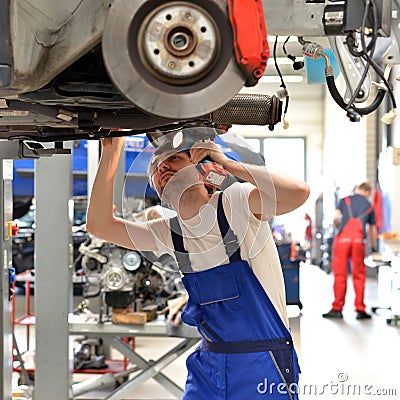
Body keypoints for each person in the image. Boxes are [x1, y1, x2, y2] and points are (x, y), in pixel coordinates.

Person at [86, 129, 310, 399]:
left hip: (262, 363)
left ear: (202, 169)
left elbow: (298, 192)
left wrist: (227, 163)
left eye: (174, 159)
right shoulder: (171, 232)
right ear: (156, 188)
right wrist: (111, 151)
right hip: (209, 366)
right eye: (155, 168)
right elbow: (99, 225)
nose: (162, 167)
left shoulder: (235, 203)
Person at [323, 182, 377, 320]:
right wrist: (373, 247)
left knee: (340, 274)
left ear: (358, 189)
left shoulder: (344, 200)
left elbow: (335, 218)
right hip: (358, 241)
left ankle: (337, 309)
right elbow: (371, 230)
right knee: (359, 275)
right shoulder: (369, 206)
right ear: (367, 192)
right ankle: (360, 309)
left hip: (342, 241)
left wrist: (338, 228)